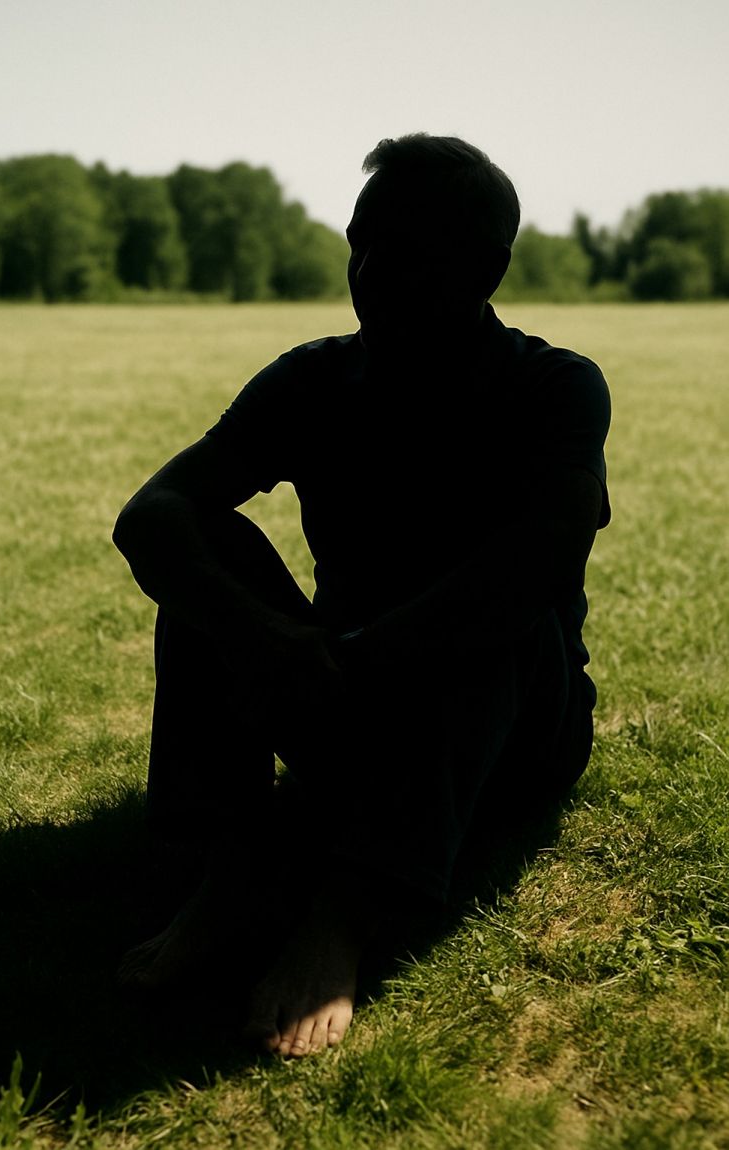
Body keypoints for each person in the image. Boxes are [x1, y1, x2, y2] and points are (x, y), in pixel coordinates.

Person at [113, 134, 611, 1058]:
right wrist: (259, 632)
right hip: (338, 692)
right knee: (205, 554)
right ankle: (232, 870)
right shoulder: (314, 376)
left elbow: (543, 556)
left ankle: (346, 911)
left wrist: (359, 653)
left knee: (498, 605)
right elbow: (154, 511)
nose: (370, 270)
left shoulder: (552, 385)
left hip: (511, 735)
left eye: (408, 248)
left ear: (485, 268)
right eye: (361, 240)